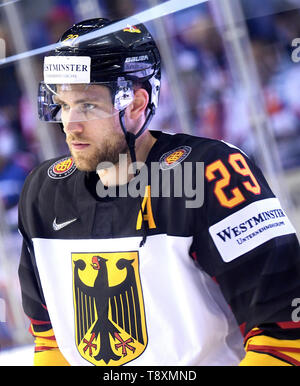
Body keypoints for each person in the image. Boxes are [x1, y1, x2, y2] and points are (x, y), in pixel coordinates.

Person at [18, 18, 300, 367]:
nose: (69, 125)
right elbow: (50, 340)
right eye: (62, 104)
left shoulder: (210, 173)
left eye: (87, 105)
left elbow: (284, 335)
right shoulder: (44, 193)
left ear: (136, 104)